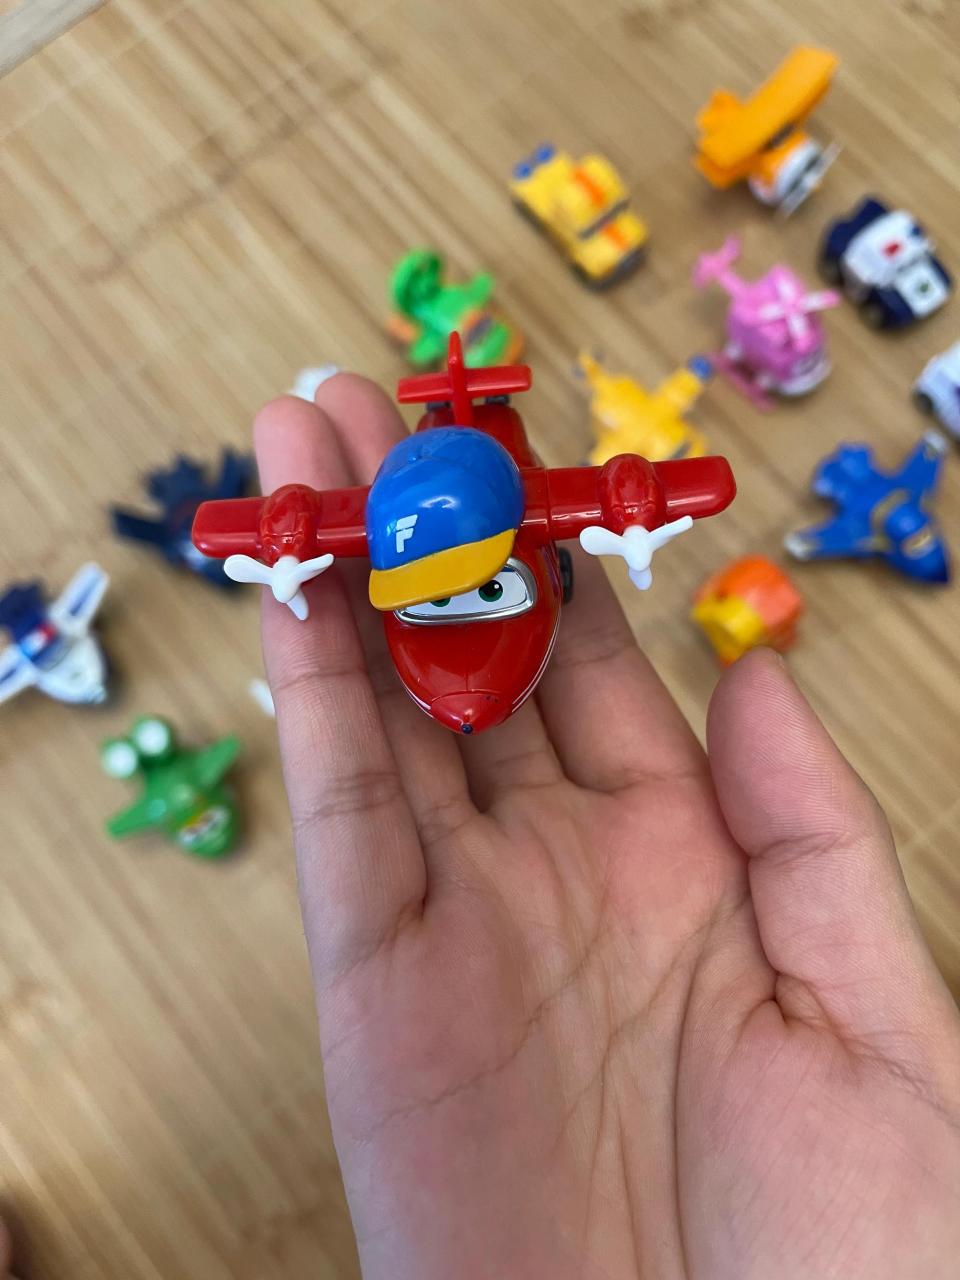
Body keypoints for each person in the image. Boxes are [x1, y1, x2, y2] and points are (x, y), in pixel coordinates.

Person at [251, 372, 960, 1279]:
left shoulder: (527, 522)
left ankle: (477, 430)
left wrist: (626, 505)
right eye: (428, 600)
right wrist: (289, 536)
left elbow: (691, 483)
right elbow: (273, 529)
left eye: (486, 588)